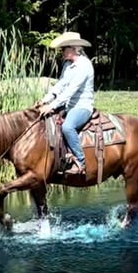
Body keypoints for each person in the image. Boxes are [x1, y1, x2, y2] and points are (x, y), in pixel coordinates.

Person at [36, 31, 95, 175]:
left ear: (74, 49)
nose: (61, 52)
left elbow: (71, 90)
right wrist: (45, 99)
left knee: (68, 127)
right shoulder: (68, 65)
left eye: (64, 49)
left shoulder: (84, 66)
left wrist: (52, 105)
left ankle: (81, 162)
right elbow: (60, 85)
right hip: (68, 105)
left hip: (81, 106)